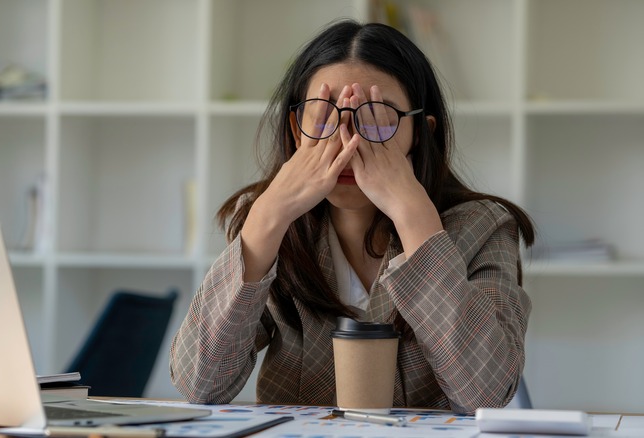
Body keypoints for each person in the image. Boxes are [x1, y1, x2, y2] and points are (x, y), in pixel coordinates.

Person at [169, 19, 534, 414]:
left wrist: (416, 219)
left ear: (421, 133)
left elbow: (486, 394)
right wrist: (267, 217)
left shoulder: (484, 226)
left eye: (376, 117)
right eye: (324, 115)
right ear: (296, 129)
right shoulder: (269, 223)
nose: (347, 140)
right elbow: (199, 384)